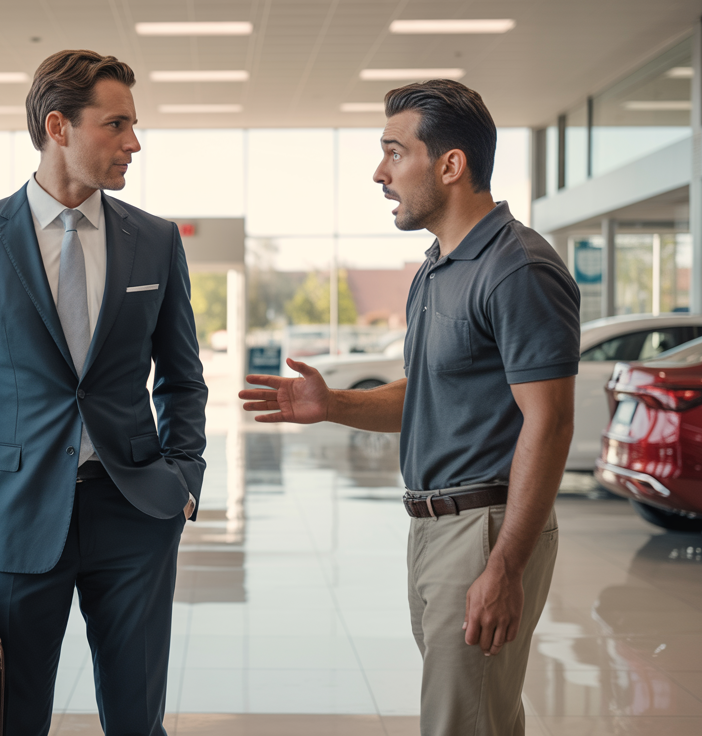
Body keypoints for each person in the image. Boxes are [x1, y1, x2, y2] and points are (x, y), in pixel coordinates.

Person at [240, 79, 579, 736]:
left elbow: (552, 420)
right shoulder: (436, 268)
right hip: (433, 528)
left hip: (483, 528)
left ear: (450, 165)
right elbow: (420, 393)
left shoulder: (518, 268)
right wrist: (331, 402)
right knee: (472, 718)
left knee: (462, 723)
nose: (379, 173)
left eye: (395, 153)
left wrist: (504, 563)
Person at [0, 49, 207, 736]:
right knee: (12, 715)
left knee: (137, 717)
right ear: (59, 126)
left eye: (133, 126)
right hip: (17, 516)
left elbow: (182, 376)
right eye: (116, 125)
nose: (133, 143)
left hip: (136, 508)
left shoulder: (156, 242)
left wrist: (183, 479)